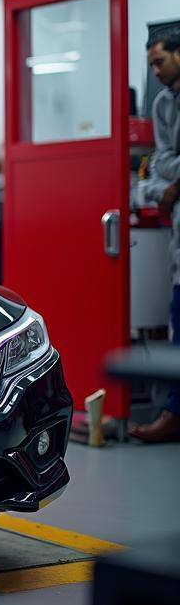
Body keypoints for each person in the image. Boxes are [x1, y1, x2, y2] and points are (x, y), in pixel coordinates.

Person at [134, 28, 180, 441]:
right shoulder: (164, 103)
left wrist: (172, 185)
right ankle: (174, 414)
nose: (155, 71)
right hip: (177, 235)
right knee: (178, 317)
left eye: (160, 61)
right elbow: (163, 159)